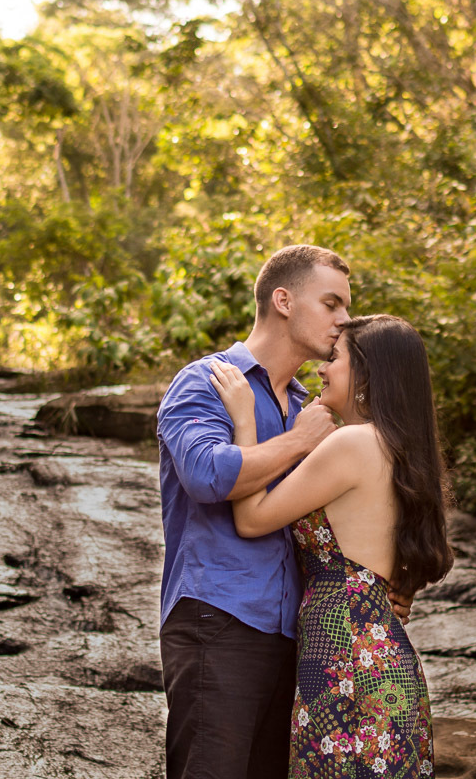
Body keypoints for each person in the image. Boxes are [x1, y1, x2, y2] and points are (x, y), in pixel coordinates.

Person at [157, 245, 411, 779]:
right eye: (332, 303)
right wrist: (296, 444)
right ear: (283, 301)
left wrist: (381, 583)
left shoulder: (309, 407)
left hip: (299, 637)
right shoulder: (209, 381)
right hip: (219, 617)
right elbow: (206, 475)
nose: (344, 321)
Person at [208, 314, 453, 777]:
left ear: (366, 374)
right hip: (372, 658)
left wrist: (244, 420)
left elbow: (251, 518)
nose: (321, 367)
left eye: (335, 358)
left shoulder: (352, 444)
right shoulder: (397, 447)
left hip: (349, 666)